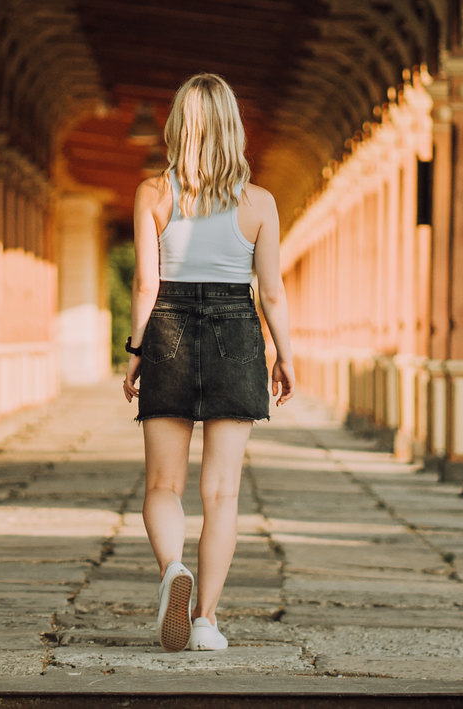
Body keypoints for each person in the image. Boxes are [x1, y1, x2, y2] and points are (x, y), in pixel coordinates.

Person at [122, 73, 296, 653]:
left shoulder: (154, 193)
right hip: (236, 332)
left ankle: (174, 568)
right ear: (233, 129)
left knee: (162, 484)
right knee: (220, 493)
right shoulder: (260, 203)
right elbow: (271, 291)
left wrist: (136, 350)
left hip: (169, 324)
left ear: (177, 128)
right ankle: (206, 621)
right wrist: (285, 356)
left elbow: (147, 283)